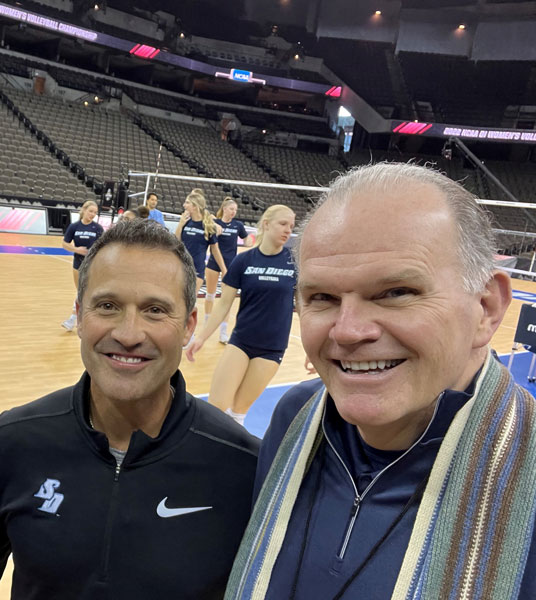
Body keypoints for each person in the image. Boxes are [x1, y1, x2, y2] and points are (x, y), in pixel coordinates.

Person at [226, 163, 536, 600]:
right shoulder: (293, 417)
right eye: (323, 298)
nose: (348, 331)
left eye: (395, 293)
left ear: (485, 307)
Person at [0, 219, 259, 600]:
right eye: (108, 306)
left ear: (188, 327)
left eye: (155, 310)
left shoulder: (245, 466)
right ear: (79, 316)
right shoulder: (15, 439)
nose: (129, 334)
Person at [186, 205, 296, 427]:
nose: (288, 230)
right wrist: (201, 337)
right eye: (283, 224)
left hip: (272, 348)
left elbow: (305, 305)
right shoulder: (244, 261)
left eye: (291, 226)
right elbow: (223, 304)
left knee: (238, 413)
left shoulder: (295, 263)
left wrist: (317, 350)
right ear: (266, 223)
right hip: (241, 342)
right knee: (215, 411)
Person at [203, 197, 251, 343]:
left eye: (235, 210)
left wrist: (248, 244)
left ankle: (223, 333)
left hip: (230, 265)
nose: (234, 212)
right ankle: (207, 326)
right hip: (214, 263)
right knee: (210, 295)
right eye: (231, 209)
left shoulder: (238, 225)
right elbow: (205, 214)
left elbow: (247, 239)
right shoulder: (215, 223)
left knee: (226, 299)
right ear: (224, 209)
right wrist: (212, 221)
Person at [61, 200, 103, 331]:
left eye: (95, 213)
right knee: (80, 291)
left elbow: (103, 246)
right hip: (78, 264)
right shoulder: (74, 227)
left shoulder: (97, 228)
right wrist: (77, 249)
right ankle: (78, 319)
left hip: (92, 265)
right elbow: (64, 244)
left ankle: (74, 319)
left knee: (86, 291)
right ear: (84, 210)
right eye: (90, 211)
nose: (92, 214)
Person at [175, 189, 226, 296]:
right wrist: (181, 224)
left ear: (195, 207)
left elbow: (215, 250)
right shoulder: (186, 222)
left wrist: (223, 269)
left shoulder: (208, 226)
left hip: (196, 269)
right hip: (181, 266)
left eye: (187, 203)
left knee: (189, 302)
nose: (184, 205)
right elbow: (176, 241)